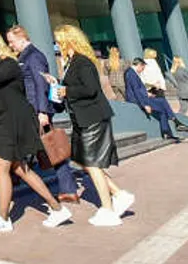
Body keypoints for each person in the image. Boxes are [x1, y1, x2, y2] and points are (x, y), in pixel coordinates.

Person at [0, 32, 72, 232]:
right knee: (21, 169)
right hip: (2, 122)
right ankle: (57, 209)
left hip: (11, 124)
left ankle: (3, 219)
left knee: (1, 170)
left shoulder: (9, 64)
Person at [51, 24, 132, 227]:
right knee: (85, 162)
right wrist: (58, 87)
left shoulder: (83, 62)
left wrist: (67, 91)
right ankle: (119, 194)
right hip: (82, 118)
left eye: (59, 41)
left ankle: (108, 210)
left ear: (69, 41)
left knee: (92, 163)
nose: (57, 45)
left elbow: (90, 89)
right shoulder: (70, 63)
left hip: (92, 118)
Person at [6, 25, 79, 204]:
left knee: (50, 147)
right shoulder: (25, 56)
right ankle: (68, 189)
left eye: (12, 41)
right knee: (49, 148)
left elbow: (41, 85)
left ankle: (10, 177)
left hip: (36, 111)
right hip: (31, 110)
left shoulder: (34, 56)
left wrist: (43, 112)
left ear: (22, 38)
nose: (10, 45)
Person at [125, 58, 188, 140]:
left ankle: (167, 132)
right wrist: (145, 105)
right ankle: (176, 123)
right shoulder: (131, 73)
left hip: (142, 97)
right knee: (162, 103)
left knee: (162, 105)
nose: (142, 70)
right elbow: (136, 91)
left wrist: (147, 93)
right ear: (139, 65)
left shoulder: (131, 72)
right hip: (137, 101)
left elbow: (138, 89)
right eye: (142, 68)